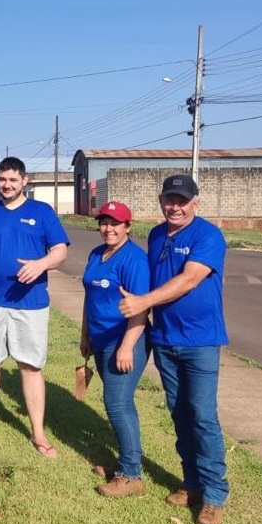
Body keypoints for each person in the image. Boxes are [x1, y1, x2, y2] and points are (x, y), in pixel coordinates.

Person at [119, 174, 229, 524]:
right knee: (179, 413)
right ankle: (193, 483)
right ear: (161, 200)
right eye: (169, 199)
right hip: (165, 339)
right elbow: (147, 279)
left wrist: (144, 301)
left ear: (195, 203)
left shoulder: (208, 235)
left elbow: (190, 279)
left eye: (182, 201)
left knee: (202, 415)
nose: (175, 207)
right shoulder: (154, 235)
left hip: (200, 341)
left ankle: (214, 495)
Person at [0, 156, 68, 457]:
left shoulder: (41, 213)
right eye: (2, 180)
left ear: (24, 181)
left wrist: (40, 264)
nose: (6, 185)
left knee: (30, 366)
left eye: (13, 180)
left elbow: (60, 251)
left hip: (30, 304)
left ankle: (39, 434)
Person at [80, 201, 150, 497]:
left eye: (115, 223)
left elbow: (140, 309)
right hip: (99, 339)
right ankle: (125, 463)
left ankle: (131, 475)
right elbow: (90, 298)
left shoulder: (133, 259)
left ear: (128, 227)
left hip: (124, 341)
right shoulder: (96, 254)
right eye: (104, 222)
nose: (108, 229)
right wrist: (85, 335)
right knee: (119, 404)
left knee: (118, 404)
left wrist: (126, 346)